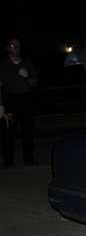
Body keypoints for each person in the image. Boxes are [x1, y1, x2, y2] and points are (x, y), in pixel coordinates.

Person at [0, 38, 39, 167]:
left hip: (26, 100)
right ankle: (8, 161)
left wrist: (27, 76)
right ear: (7, 48)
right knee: (9, 133)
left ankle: (28, 159)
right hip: (10, 100)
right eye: (13, 45)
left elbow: (35, 83)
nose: (16, 48)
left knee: (27, 132)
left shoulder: (27, 63)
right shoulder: (3, 65)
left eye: (18, 45)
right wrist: (0, 105)